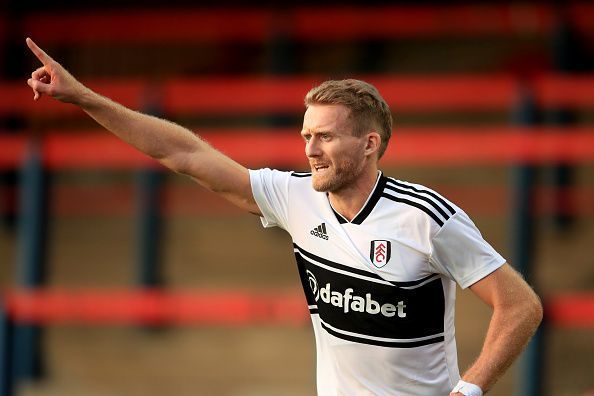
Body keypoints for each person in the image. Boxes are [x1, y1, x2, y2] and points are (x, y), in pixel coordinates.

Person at [25, 37, 543, 396]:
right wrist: (84, 98)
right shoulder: (295, 197)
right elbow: (182, 155)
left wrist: (468, 388)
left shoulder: (425, 217)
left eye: (325, 136)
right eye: (305, 135)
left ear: (369, 144)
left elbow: (520, 305)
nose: (310, 149)